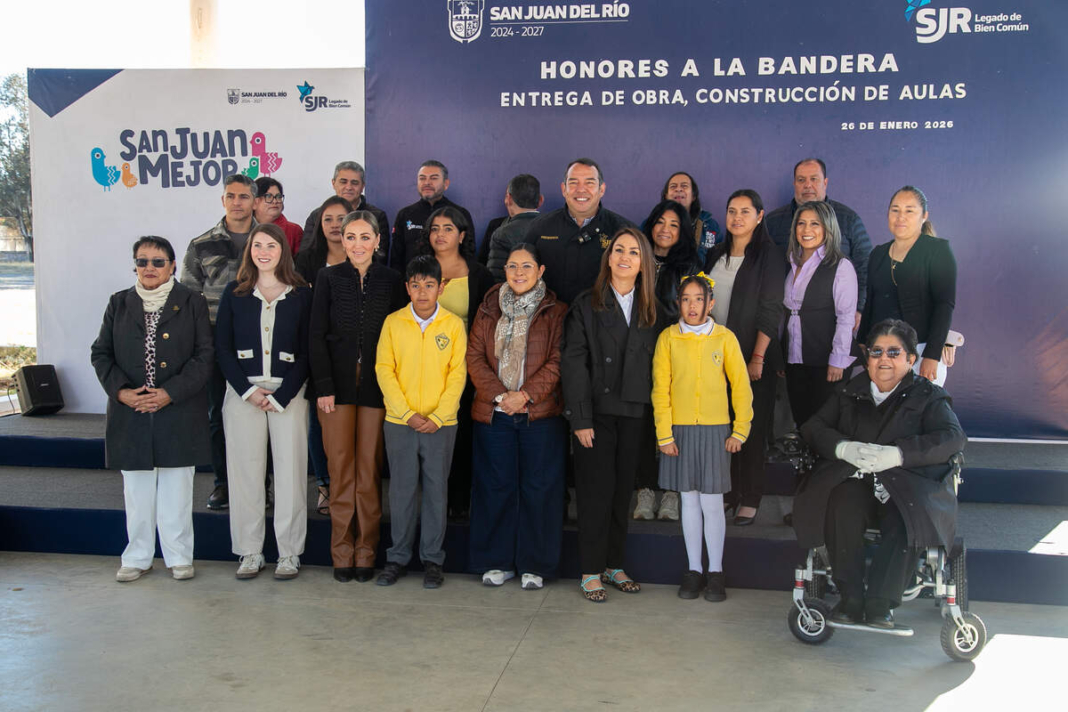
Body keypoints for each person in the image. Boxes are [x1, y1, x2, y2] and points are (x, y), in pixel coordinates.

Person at [793, 319, 965, 627]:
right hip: (855, 478)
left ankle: (880, 604)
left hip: (906, 484)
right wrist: (843, 448)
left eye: (893, 352)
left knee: (905, 517)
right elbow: (813, 427)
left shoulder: (928, 396)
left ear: (911, 359)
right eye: (876, 352)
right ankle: (850, 598)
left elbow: (952, 438)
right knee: (841, 503)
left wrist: (900, 454)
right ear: (867, 358)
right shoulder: (849, 390)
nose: (883, 359)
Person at [91, 236, 213, 582]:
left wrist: (169, 393)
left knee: (177, 490)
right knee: (137, 492)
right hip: (131, 411)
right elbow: (101, 353)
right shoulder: (120, 303)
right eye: (142, 261)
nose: (149, 268)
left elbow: (204, 357)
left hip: (178, 409)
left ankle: (178, 557)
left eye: (158, 261)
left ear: (173, 266)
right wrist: (122, 393)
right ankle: (138, 557)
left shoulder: (192, 302)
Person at [562, 227, 665, 602]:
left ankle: (614, 565)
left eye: (634, 253)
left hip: (636, 413)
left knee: (623, 492)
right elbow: (574, 364)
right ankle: (590, 570)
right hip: (597, 413)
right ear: (608, 258)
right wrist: (581, 418)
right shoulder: (586, 304)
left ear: (644, 264)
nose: (625, 257)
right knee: (594, 493)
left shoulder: (654, 308)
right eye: (619, 250)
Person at [310, 211, 406, 583]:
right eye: (350, 237)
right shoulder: (327, 278)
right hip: (335, 388)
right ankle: (342, 551)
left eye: (365, 237)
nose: (357, 244)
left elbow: (400, 335)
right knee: (340, 470)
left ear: (378, 241)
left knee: (368, 470)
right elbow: (316, 334)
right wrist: (323, 386)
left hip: (377, 388)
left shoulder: (392, 280)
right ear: (342, 240)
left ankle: (366, 550)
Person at [466, 243, 569, 590]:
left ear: (540, 271)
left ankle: (535, 564)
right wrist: (500, 396)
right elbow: (475, 358)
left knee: (540, 491)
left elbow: (558, 362)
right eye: (512, 266)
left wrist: (524, 396)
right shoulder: (487, 308)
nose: (519, 272)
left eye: (527, 266)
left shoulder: (556, 311)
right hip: (494, 413)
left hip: (540, 414)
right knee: (495, 488)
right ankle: (497, 561)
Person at [215, 224, 312, 580]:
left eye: (271, 245)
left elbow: (307, 350)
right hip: (244, 395)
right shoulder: (234, 293)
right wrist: (248, 391)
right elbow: (222, 349)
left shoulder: (301, 293)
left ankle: (289, 553)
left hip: (289, 394)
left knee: (290, 475)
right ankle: (250, 551)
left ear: (283, 250)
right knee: (245, 475)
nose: (264, 251)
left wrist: (284, 394)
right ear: (249, 251)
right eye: (258, 245)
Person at [652, 274, 752, 602]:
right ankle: (694, 570)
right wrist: (664, 434)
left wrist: (740, 429)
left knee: (711, 502)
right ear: (677, 303)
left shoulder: (724, 338)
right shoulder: (668, 338)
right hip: (679, 430)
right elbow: (661, 389)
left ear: (711, 303)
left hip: (715, 430)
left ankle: (716, 572)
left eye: (699, 299)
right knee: (689, 500)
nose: (692, 306)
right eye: (685, 299)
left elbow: (740, 386)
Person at [375, 255, 468, 589]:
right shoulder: (393, 323)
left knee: (435, 491)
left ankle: (432, 559)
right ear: (407, 288)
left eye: (430, 285)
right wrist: (406, 413)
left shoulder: (453, 325)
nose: (423, 291)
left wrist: (439, 416)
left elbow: (457, 374)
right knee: (401, 491)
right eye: (416, 285)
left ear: (441, 287)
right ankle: (397, 558)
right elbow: (384, 370)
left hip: (441, 424)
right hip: (401, 423)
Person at [703, 189, 786, 526]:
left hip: (753, 357)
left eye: (745, 212)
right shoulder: (715, 254)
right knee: (721, 427)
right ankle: (728, 492)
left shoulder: (770, 256)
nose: (737, 218)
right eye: (731, 211)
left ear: (760, 216)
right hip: (714, 358)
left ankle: (750, 497)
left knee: (749, 428)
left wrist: (757, 357)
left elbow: (771, 309)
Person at [181, 174, 259, 511]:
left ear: (255, 201)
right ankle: (223, 484)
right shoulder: (202, 244)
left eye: (244, 196)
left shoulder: (270, 240)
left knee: (260, 414)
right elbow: (189, 296)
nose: (237, 202)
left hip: (260, 341)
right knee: (218, 415)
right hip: (214, 342)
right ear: (223, 200)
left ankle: (261, 485)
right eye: (231, 196)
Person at [419, 205, 495, 519]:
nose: (440, 234)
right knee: (429, 436)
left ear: (462, 234)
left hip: (466, 369)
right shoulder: (419, 270)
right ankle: (431, 503)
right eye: (435, 228)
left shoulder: (479, 274)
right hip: (424, 370)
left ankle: (460, 501)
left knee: (462, 435)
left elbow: (488, 324)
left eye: (448, 228)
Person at [631, 199, 702, 522]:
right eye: (660, 222)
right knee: (645, 425)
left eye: (674, 224)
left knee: (677, 425)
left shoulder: (689, 266)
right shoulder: (636, 258)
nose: (665, 229)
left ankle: (672, 493)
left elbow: (693, 313)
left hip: (677, 354)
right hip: (638, 353)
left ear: (682, 232)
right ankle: (645, 492)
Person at [859, 186, 957, 387]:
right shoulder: (878, 254)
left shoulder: (938, 250)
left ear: (924, 216)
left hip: (921, 352)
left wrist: (932, 355)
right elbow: (870, 302)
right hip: (882, 354)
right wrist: (862, 343)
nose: (900, 217)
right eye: (895, 210)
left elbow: (944, 305)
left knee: (918, 415)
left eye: (909, 210)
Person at [295, 196, 354, 515]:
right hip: (316, 348)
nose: (334, 225)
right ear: (319, 224)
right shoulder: (306, 260)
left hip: (355, 355)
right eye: (328, 219)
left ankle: (349, 485)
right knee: (319, 422)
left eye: (341, 218)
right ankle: (324, 485)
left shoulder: (364, 256)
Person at [764, 158, 872, 329]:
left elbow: (866, 266)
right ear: (794, 184)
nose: (807, 185)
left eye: (814, 179)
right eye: (801, 180)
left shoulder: (848, 219)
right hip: (782, 321)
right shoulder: (773, 221)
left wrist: (858, 308)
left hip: (833, 322)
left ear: (825, 182)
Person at [782, 201, 858, 430]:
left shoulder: (841, 266)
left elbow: (846, 318)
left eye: (815, 224)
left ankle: (823, 467)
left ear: (828, 229)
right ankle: (805, 466)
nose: (806, 230)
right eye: (801, 223)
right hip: (795, 360)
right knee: (802, 421)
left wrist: (838, 359)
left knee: (823, 425)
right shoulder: (791, 262)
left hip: (827, 361)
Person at [526, 157, 636, 306]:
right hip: (551, 320)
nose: (581, 189)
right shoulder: (540, 227)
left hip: (603, 320)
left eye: (589, 183)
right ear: (564, 189)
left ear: (601, 189)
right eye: (573, 183)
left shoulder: (624, 230)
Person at [389, 160, 475, 272]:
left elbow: (469, 254)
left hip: (452, 282)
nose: (427, 183)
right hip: (413, 285)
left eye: (434, 178)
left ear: (446, 184)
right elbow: (396, 259)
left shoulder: (461, 214)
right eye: (422, 178)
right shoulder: (405, 215)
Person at [299, 161, 389, 256]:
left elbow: (380, 255)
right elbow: (306, 254)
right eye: (343, 182)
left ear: (362, 186)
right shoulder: (317, 215)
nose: (348, 187)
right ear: (333, 183)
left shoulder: (376, 216)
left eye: (354, 183)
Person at [486, 174, 544, 282]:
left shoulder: (502, 234)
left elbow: (497, 280)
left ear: (508, 198)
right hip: (550, 296)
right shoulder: (555, 227)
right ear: (541, 200)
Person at [660, 172, 722, 263]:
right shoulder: (652, 224)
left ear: (693, 196)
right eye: (673, 186)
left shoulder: (711, 226)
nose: (679, 189)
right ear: (666, 195)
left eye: (684, 186)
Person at [253, 177, 303, 255]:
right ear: (254, 202)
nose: (275, 201)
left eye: (278, 197)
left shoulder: (294, 230)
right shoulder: (243, 228)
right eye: (269, 196)